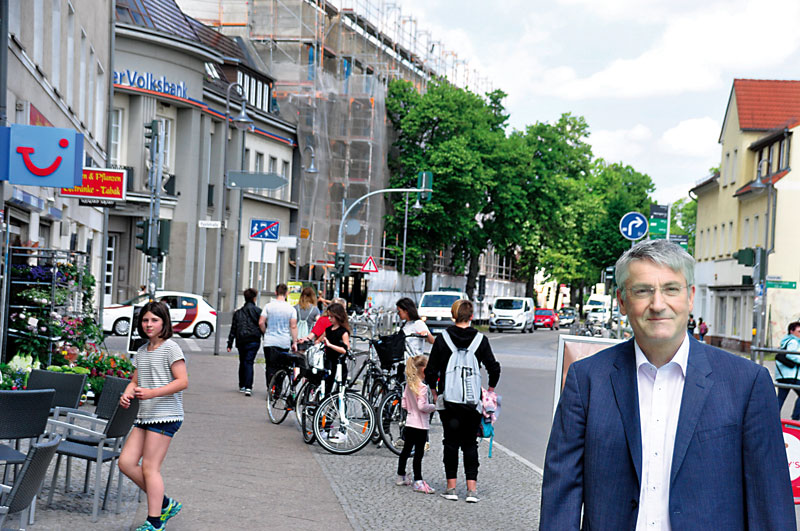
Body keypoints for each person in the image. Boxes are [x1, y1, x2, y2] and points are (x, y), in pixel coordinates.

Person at [541, 239, 794, 529]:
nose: (658, 304)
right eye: (642, 291)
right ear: (622, 301)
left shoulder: (746, 383)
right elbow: (562, 490)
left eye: (671, 289)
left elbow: (770, 500)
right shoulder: (586, 379)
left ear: (690, 297)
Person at [118, 301, 188, 531]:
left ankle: (155, 522)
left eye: (154, 320)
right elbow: (135, 381)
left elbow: (183, 381)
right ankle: (165, 503)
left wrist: (153, 393)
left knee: (149, 467)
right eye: (145, 320)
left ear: (164, 322)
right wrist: (127, 394)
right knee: (126, 463)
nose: (149, 324)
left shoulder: (171, 348)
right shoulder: (141, 351)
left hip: (166, 415)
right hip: (145, 415)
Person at [424, 300, 501, 504]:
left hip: (448, 401)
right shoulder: (480, 340)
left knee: (450, 442)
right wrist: (490, 390)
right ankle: (471, 490)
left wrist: (433, 392)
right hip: (471, 401)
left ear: (453, 315)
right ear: (471, 317)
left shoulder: (443, 339)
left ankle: (451, 488)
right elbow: (494, 368)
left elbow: (431, 370)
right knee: (470, 443)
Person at [396, 355, 436, 494]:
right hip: (420, 425)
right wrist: (433, 407)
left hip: (409, 422)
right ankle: (418, 480)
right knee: (418, 453)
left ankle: (400, 475)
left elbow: (404, 404)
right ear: (423, 369)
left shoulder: (409, 385)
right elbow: (422, 406)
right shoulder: (422, 387)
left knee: (406, 451)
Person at [259, 284, 299, 390]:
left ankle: (270, 387)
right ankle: (278, 389)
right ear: (287, 294)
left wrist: (265, 332)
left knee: (270, 366)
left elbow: (261, 322)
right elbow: (293, 326)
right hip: (284, 341)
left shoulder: (268, 306)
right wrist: (294, 342)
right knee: (282, 366)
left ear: (276, 292)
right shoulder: (291, 309)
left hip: (270, 341)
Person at [322, 302, 350, 443]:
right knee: (327, 397)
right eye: (329, 316)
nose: (330, 319)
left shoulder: (343, 332)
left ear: (338, 316)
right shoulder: (328, 329)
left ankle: (342, 429)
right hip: (329, 365)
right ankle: (325, 428)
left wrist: (330, 345)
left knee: (339, 397)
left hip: (339, 366)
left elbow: (345, 350)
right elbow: (320, 341)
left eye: (332, 316)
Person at [227, 288, 262, 396]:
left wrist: (230, 343)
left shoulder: (238, 313)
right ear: (254, 298)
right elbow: (262, 324)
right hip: (254, 340)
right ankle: (248, 387)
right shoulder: (258, 311)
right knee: (249, 362)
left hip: (241, 340)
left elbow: (233, 328)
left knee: (243, 361)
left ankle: (242, 385)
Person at [776, 321, 800, 420]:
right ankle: (796, 418)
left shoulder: (785, 341)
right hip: (791, 376)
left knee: (780, 398)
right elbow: (791, 355)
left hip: (782, 376)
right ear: (791, 331)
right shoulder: (793, 341)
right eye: (799, 331)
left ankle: (772, 418)